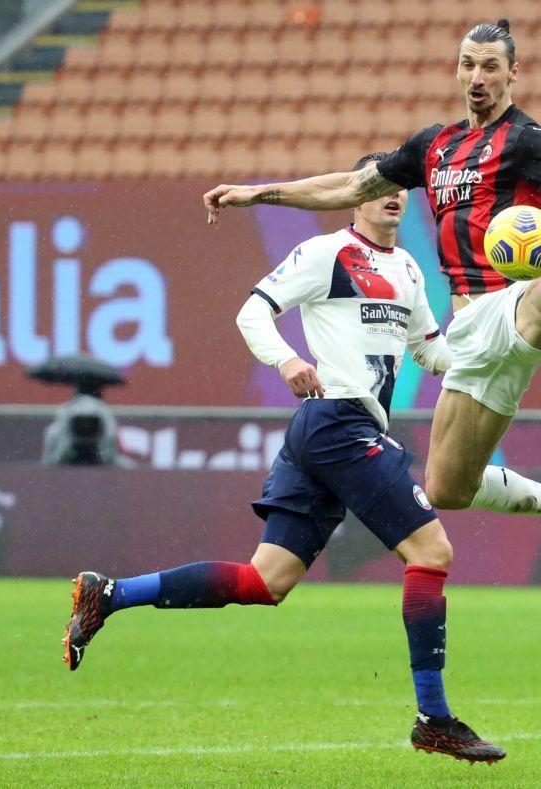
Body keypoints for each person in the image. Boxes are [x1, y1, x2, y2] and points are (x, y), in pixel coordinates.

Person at [203, 20, 541, 557]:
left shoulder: (527, 140)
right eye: (468, 64)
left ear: (512, 73)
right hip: (472, 334)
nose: (477, 76)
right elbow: (350, 185)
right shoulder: (434, 145)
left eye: (490, 66)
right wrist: (256, 193)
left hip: (516, 306)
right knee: (447, 487)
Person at [63, 154, 508, 764]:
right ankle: (433, 718)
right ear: (355, 197)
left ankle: (110, 594)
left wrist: (492, 353)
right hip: (337, 421)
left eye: (400, 189)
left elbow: (430, 352)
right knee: (431, 552)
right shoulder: (325, 254)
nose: (392, 197)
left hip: (330, 430)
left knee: (266, 581)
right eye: (378, 187)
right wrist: (287, 360)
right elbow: (251, 312)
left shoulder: (408, 268)